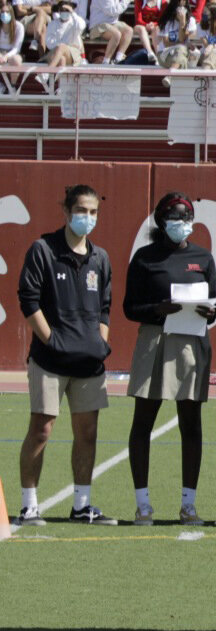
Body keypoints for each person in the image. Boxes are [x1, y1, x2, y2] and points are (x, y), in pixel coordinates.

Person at [17, 184, 116, 527]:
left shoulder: (100, 258)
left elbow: (104, 308)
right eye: (82, 211)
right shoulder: (43, 249)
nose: (87, 218)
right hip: (50, 361)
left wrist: (100, 344)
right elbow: (28, 300)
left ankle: (82, 505)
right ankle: (29, 505)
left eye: (93, 212)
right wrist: (51, 341)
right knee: (42, 429)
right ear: (66, 211)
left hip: (89, 364)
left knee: (87, 433)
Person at [123, 192, 216, 526]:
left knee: (191, 424)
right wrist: (157, 310)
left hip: (191, 343)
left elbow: (212, 309)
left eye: (186, 218)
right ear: (162, 221)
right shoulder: (144, 257)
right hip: (154, 339)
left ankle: (188, 505)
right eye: (175, 218)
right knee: (143, 420)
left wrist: (211, 311)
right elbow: (128, 308)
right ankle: (143, 504)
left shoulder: (203, 257)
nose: (182, 224)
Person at [38, 0, 86, 73]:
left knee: (61, 47)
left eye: (67, 10)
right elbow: (49, 43)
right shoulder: (52, 24)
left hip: (72, 53)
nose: (65, 12)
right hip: (55, 51)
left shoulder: (75, 22)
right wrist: (63, 45)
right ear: (59, 11)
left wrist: (72, 12)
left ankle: (47, 73)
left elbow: (81, 26)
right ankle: (58, 83)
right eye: (62, 10)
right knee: (61, 59)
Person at [157, 0, 197, 86]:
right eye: (179, 7)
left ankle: (169, 76)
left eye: (184, 6)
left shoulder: (191, 21)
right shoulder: (167, 21)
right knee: (181, 49)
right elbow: (166, 43)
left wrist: (182, 22)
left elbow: (182, 39)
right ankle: (170, 75)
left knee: (182, 52)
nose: (181, 10)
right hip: (165, 54)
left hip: (182, 54)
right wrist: (181, 44)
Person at [87, 0, 134, 64]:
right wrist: (126, 1)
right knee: (116, 34)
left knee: (129, 30)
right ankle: (106, 61)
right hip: (97, 26)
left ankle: (118, 59)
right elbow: (112, 11)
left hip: (112, 24)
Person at [194, 2, 216, 69]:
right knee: (209, 53)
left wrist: (211, 46)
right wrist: (211, 46)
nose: (204, 14)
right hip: (206, 52)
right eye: (203, 12)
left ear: (214, 14)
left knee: (213, 52)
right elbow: (206, 45)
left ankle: (206, 73)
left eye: (206, 13)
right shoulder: (200, 25)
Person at [0, 2, 23, 95]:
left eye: (7, 12)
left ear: (12, 13)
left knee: (16, 60)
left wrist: (6, 56)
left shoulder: (19, 26)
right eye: (2, 12)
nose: (4, 14)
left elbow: (17, 48)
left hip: (12, 52)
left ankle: (12, 87)